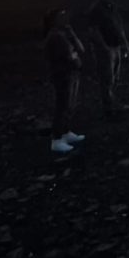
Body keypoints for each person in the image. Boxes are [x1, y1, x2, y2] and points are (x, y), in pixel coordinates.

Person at [43, 9, 86, 154]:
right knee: (62, 106)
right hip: (62, 75)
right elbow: (68, 55)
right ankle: (56, 139)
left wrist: (72, 34)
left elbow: (80, 49)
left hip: (70, 74)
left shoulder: (64, 34)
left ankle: (65, 131)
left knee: (69, 104)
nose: (65, 19)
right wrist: (75, 61)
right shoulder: (55, 37)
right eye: (61, 16)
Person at [87, 0, 129, 117]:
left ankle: (113, 103)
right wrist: (104, 47)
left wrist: (125, 43)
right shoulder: (96, 9)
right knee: (106, 78)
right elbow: (94, 30)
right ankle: (108, 108)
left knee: (114, 77)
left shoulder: (112, 8)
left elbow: (119, 27)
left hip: (115, 46)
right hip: (106, 48)